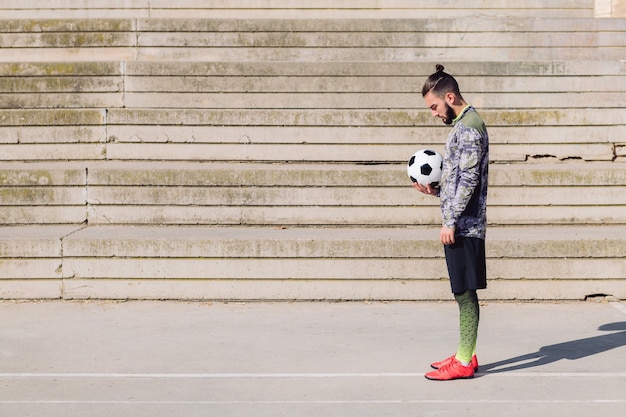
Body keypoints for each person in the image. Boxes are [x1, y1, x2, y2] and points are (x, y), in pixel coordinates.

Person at [414, 64, 489, 380]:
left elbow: (470, 181)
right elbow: (459, 180)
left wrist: (450, 220)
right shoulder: (462, 125)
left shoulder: (469, 128)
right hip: (461, 220)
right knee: (462, 291)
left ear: (449, 96)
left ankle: (463, 361)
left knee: (464, 292)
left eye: (434, 106)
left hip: (464, 226)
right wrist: (437, 191)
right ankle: (464, 354)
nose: (432, 113)